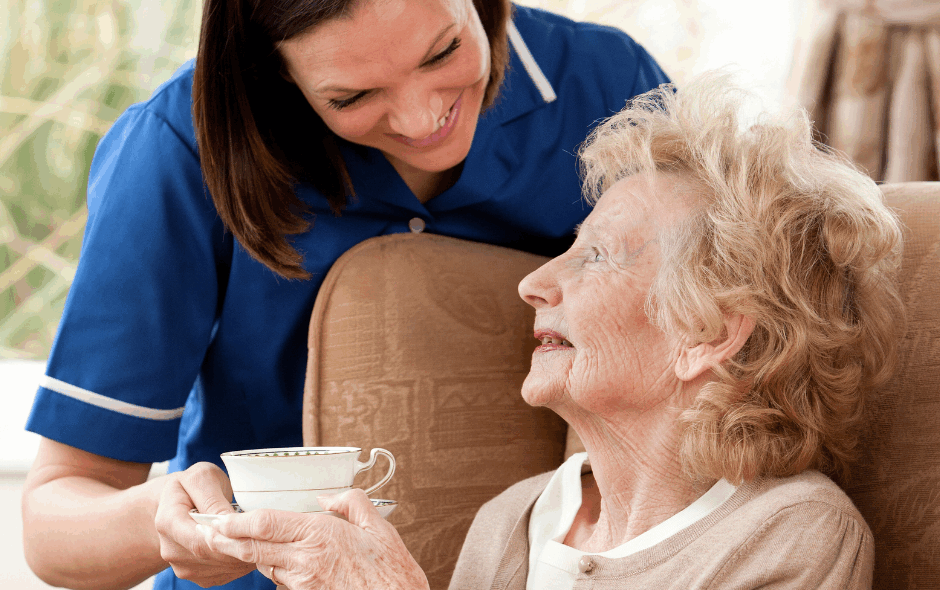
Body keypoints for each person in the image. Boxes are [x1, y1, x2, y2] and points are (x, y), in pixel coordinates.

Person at [20, 0, 669, 588]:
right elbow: (57, 521)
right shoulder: (179, 149)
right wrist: (164, 521)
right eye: (352, 96)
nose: (422, 119)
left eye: (444, 51)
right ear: (275, 73)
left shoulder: (609, 85)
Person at [195, 74, 904, 589]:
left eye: (594, 256)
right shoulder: (514, 520)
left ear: (709, 331)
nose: (533, 285)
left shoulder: (793, 537)